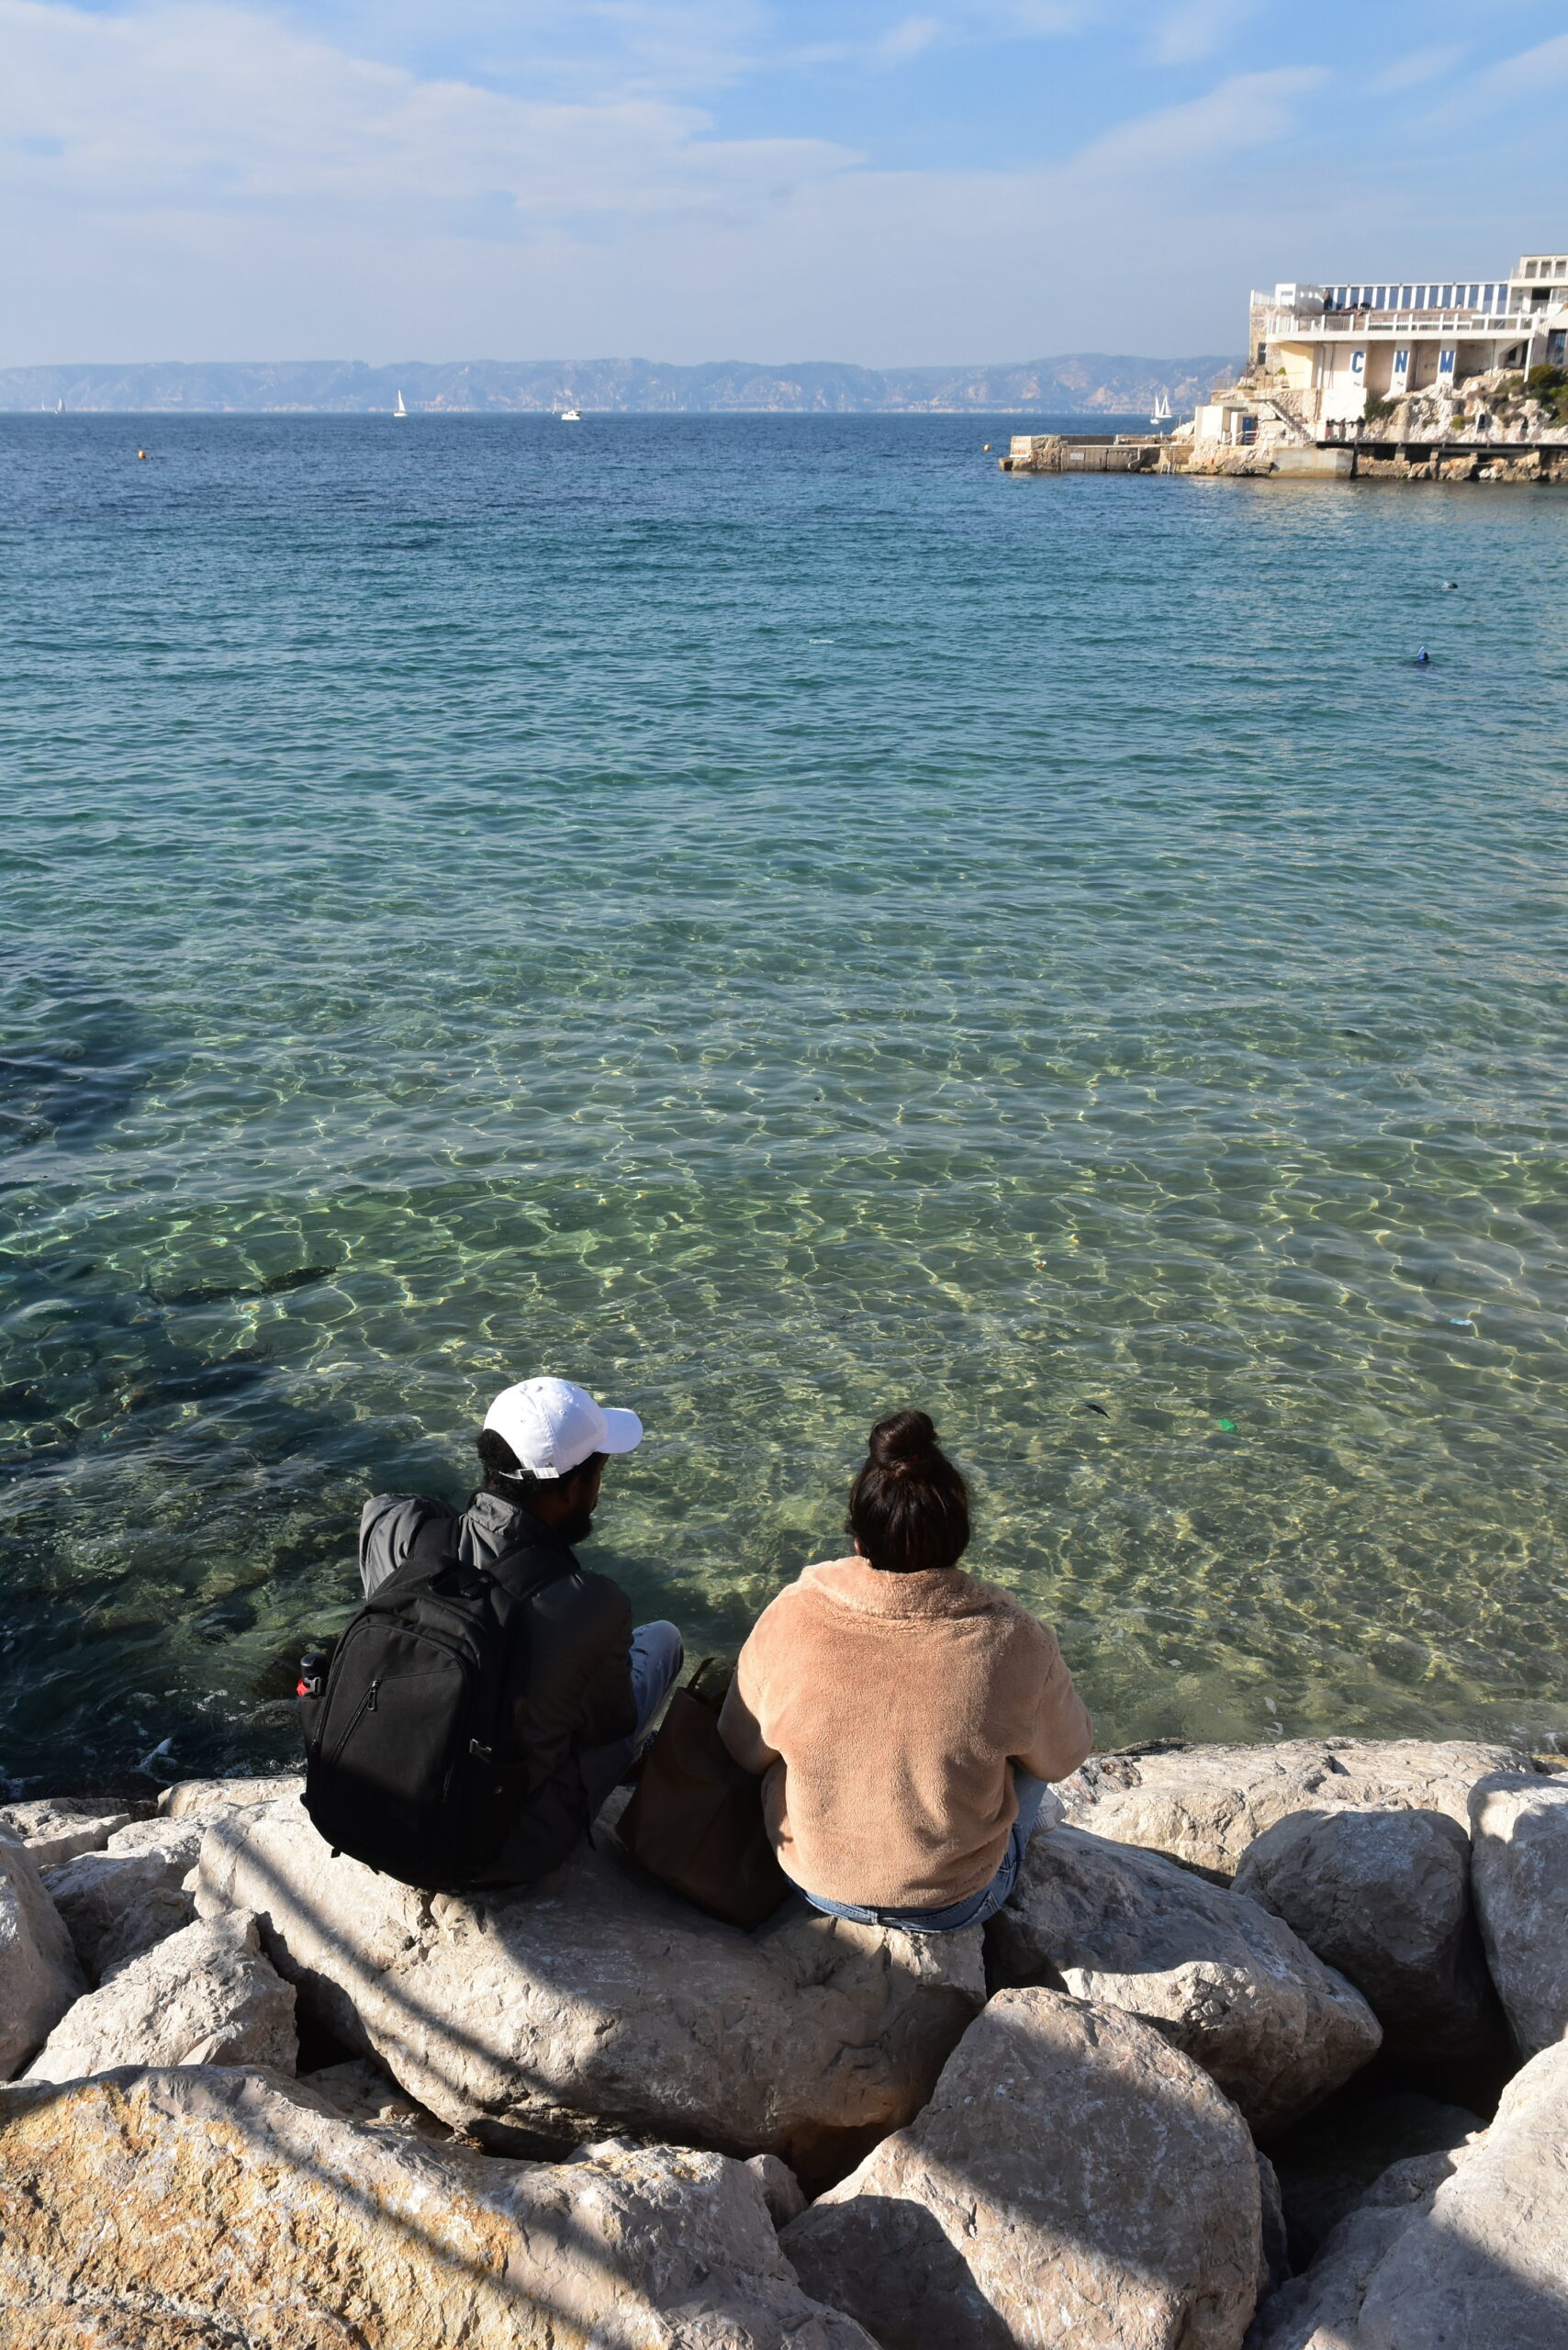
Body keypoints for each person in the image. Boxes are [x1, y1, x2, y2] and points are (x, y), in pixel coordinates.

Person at [718, 1408, 1091, 1931]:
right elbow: (1065, 1757)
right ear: (959, 1537)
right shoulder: (1016, 1640)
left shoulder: (794, 1611)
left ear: (858, 1540)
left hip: (811, 1883)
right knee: (1030, 1749)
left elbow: (741, 1746)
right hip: (952, 1904)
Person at [359, 1375, 683, 1885]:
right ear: (572, 1487)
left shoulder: (395, 1526)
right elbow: (609, 1725)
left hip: (374, 1820)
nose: (598, 1492)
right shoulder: (590, 1602)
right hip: (497, 1855)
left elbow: (384, 1512)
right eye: (599, 1472)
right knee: (663, 1641)